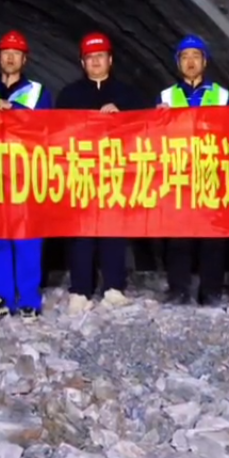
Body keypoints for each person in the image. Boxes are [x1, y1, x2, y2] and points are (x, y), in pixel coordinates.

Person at [56, 32, 148, 300]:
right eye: (89, 57)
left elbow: (145, 128)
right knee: (80, 233)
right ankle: (80, 289)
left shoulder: (128, 95)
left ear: (110, 60)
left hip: (115, 173)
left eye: (100, 56)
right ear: (83, 63)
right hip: (80, 172)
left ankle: (114, 287)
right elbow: (57, 132)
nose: (95, 62)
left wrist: (122, 116)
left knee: (113, 230)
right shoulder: (69, 95)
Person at [0, 31, 50, 318]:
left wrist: (14, 110)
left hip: (26, 175)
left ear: (24, 59)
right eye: (5, 52)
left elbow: (44, 127)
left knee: (27, 237)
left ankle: (29, 299)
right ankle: (1, 296)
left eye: (15, 53)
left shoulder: (38, 92)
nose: (10, 57)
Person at [157, 35, 229, 306]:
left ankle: (210, 291)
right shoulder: (166, 96)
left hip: (211, 170)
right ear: (178, 63)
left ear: (205, 62)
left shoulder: (221, 95)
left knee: (212, 237)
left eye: (195, 56)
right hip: (178, 173)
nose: (190, 62)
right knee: (178, 235)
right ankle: (179, 289)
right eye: (185, 57)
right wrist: (157, 118)